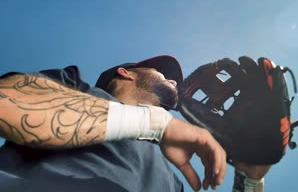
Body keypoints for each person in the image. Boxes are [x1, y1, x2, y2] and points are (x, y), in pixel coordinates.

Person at [0, 55, 270, 191]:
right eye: (163, 73)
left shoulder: (173, 179)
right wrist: (155, 123)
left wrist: (250, 180)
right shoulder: (76, 89)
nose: (175, 81)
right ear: (125, 73)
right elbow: (7, 101)